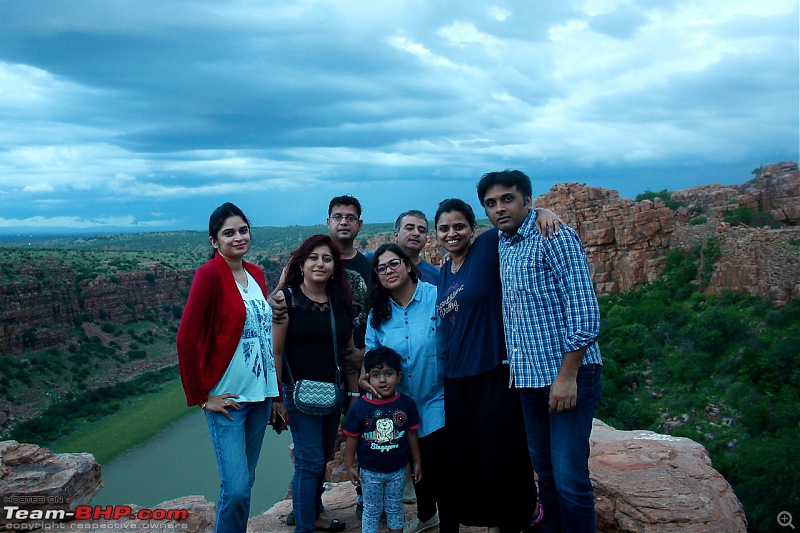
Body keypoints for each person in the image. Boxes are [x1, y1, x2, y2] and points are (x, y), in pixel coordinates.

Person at [478, 170, 602, 533]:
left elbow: (585, 314)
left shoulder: (556, 236)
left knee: (569, 477)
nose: (499, 208)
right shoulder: (503, 241)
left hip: (567, 375)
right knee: (545, 473)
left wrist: (567, 377)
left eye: (507, 199)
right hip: (528, 378)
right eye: (491, 203)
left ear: (527, 200)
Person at [434, 198, 550, 533]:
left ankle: (517, 518)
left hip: (492, 369)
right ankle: (484, 517)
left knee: (501, 451)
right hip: (456, 376)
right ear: (437, 233)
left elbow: (514, 219)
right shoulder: (442, 271)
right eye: (444, 228)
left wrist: (543, 211)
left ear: (472, 228)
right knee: (467, 452)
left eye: (459, 226)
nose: (452, 233)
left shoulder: (486, 246)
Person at [177, 202, 286, 533]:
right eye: (229, 233)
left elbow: (262, 336)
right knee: (236, 487)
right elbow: (185, 337)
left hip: (259, 396)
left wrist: (276, 394)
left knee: (246, 482)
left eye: (243, 230)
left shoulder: (254, 273)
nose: (238, 237)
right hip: (227, 399)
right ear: (214, 241)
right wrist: (201, 397)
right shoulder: (208, 275)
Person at [363, 243, 454, 533]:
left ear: (407, 264)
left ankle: (449, 523)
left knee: (439, 463)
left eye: (394, 264)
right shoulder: (377, 314)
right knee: (415, 465)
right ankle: (428, 514)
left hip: (437, 395)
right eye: (381, 268)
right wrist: (367, 379)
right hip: (400, 402)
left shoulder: (436, 296)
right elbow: (371, 358)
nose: (388, 271)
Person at [272, 234, 358, 533]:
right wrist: (276, 398)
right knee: (309, 460)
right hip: (298, 394)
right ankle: (304, 527)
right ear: (302, 263)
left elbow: (347, 354)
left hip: (332, 393)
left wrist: (353, 393)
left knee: (319, 457)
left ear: (335, 266)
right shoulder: (287, 299)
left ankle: (314, 513)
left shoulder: (339, 301)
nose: (320, 264)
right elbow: (277, 351)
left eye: (327, 258)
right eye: (313, 258)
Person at [343, 347, 422, 533]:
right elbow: (352, 437)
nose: (383, 380)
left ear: (399, 376)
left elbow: (411, 434)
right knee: (371, 510)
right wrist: (349, 466)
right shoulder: (360, 408)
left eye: (389, 374)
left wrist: (417, 461)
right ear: (368, 377)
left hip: (398, 470)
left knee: (395, 509)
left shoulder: (406, 404)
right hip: (370, 472)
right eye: (377, 375)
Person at [365, 210, 439, 284]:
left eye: (421, 230)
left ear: (426, 238)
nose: (416, 233)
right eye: (409, 228)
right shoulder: (370, 260)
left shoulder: (435, 275)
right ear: (396, 235)